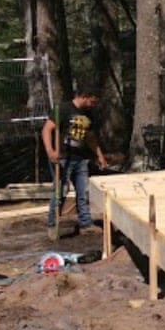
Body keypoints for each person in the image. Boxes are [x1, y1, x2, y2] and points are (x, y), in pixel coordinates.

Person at [41, 86, 108, 240]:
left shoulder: (88, 114)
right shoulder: (63, 109)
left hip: (81, 158)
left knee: (83, 192)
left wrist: (100, 155)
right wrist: (50, 151)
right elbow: (47, 130)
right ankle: (53, 224)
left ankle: (85, 223)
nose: (93, 105)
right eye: (92, 101)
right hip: (63, 158)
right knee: (61, 192)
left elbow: (90, 137)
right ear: (85, 96)